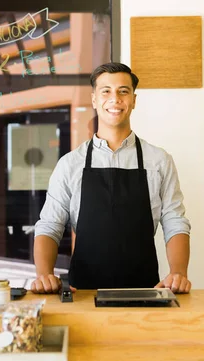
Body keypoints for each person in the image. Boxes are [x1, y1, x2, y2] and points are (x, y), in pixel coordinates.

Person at [31, 62, 191, 294]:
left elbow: (175, 221)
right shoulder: (70, 164)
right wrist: (44, 274)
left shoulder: (159, 161)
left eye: (123, 91)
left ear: (134, 100)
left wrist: (179, 272)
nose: (115, 99)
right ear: (94, 100)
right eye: (106, 91)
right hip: (83, 294)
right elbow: (50, 226)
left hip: (145, 292)